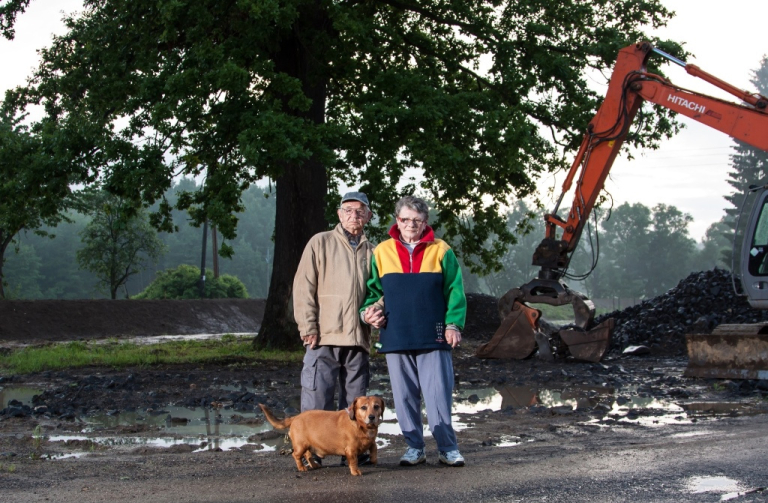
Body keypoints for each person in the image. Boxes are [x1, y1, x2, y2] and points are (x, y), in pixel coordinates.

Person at [361, 195, 467, 467]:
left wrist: (453, 324)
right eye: (405, 219)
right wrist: (370, 313)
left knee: (438, 394)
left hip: (434, 333)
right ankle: (414, 448)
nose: (410, 224)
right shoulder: (381, 252)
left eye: (416, 220)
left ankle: (447, 448)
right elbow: (374, 293)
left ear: (425, 222)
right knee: (404, 395)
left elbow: (455, 290)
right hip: (396, 334)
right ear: (397, 221)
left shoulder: (442, 250)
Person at [292, 191, 385, 467]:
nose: (353, 215)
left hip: (358, 338)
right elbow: (303, 286)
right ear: (339, 214)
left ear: (368, 216)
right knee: (317, 397)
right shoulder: (319, 243)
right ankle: (313, 453)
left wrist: (376, 309)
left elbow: (382, 290)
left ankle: (353, 452)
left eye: (360, 211)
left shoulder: (375, 252)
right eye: (348, 210)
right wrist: (308, 325)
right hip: (323, 335)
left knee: (355, 404)